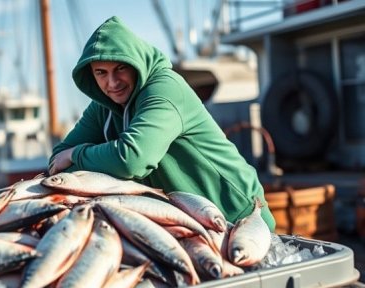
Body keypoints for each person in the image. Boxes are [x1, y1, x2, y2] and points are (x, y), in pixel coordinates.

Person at [48, 16, 275, 231]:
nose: (112, 82)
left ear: (135, 63)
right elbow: (57, 162)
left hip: (239, 216)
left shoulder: (165, 89)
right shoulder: (102, 106)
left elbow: (133, 159)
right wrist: (79, 158)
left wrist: (77, 154)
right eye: (101, 73)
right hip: (191, 225)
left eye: (120, 68)